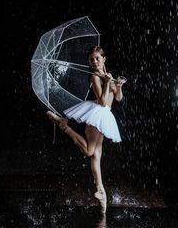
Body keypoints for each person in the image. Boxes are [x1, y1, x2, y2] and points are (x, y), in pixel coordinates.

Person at [46, 46, 125, 213]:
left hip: (105, 116)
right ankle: (64, 125)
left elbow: (117, 98)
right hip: (97, 113)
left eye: (97, 58)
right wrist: (108, 83)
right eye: (91, 60)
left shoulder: (108, 75)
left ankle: (100, 191)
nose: (94, 62)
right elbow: (103, 101)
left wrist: (118, 85)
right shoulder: (95, 77)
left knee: (97, 155)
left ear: (104, 59)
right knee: (90, 152)